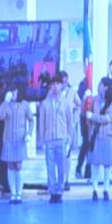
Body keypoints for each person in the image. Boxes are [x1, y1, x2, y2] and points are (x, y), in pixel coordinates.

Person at [37, 75, 74, 203]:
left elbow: (70, 122)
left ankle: (60, 191)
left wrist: (70, 138)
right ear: (50, 86)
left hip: (62, 138)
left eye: (58, 84)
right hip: (49, 139)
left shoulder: (66, 103)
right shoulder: (45, 103)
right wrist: (41, 140)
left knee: (61, 166)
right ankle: (52, 191)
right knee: (50, 166)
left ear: (61, 86)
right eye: (53, 84)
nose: (56, 87)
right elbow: (41, 122)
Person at [0, 86, 33, 205]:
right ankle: (13, 194)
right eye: (11, 91)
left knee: (18, 165)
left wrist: (29, 133)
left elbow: (31, 120)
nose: (13, 94)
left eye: (15, 91)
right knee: (10, 165)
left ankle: (19, 192)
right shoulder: (6, 105)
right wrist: (5, 102)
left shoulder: (25, 104)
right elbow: (1, 116)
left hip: (20, 139)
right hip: (8, 139)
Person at [86, 78, 112, 201]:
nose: (99, 87)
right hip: (96, 136)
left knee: (107, 165)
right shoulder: (94, 100)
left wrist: (93, 117)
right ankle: (94, 189)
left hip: (107, 136)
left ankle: (106, 189)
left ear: (106, 87)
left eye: (101, 85)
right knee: (95, 164)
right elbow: (88, 116)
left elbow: (108, 118)